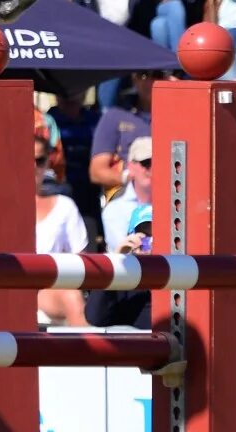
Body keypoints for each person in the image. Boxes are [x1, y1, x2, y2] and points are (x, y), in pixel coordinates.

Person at [33, 136, 88, 328]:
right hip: (6, 289)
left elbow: (81, 261)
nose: (32, 167)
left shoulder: (65, 207)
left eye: (38, 161)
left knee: (72, 296)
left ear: (48, 161)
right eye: (26, 159)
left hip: (48, 289)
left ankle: (91, 356)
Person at [100, 136, 155, 250]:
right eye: (146, 162)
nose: (151, 168)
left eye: (156, 162)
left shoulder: (173, 205)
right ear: (130, 166)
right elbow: (123, 253)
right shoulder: (114, 209)